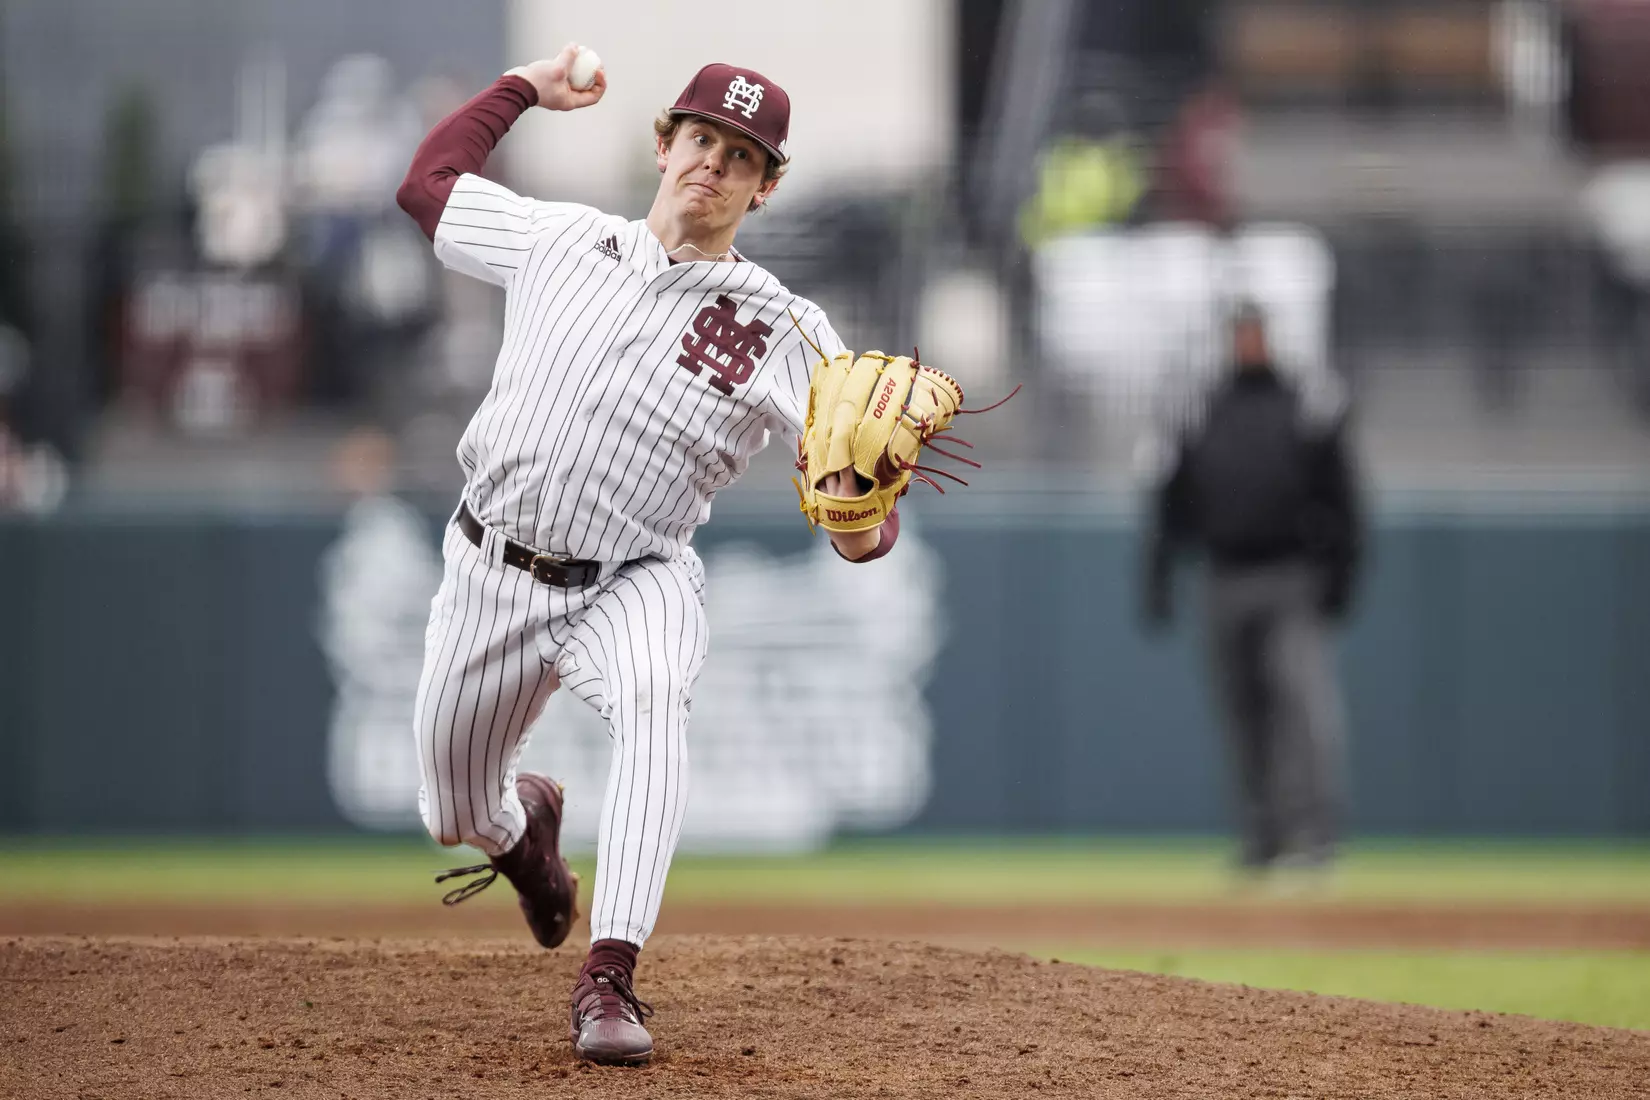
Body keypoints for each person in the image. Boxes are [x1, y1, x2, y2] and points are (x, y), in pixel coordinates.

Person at [394, 46, 902, 1066]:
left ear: (764, 189)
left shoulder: (789, 329)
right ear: (664, 144)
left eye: (744, 156)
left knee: (656, 691)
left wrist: (858, 515)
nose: (715, 163)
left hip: (635, 574)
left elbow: (862, 525)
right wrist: (526, 89)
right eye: (703, 137)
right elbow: (427, 186)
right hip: (490, 569)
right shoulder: (561, 238)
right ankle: (524, 835)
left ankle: (609, 973)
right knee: (451, 807)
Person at [1142, 301, 1362, 878]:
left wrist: (1340, 578)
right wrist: (1159, 577)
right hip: (1222, 575)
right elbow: (1171, 501)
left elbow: (1343, 501)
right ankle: (1262, 841)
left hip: (1290, 575)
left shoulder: (1305, 404)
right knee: (1244, 715)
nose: (1248, 344)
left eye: (1255, 333)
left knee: (1304, 710)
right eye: (1239, 334)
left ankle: (1316, 841)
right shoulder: (1201, 409)